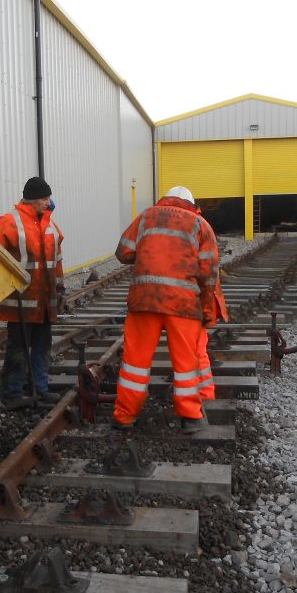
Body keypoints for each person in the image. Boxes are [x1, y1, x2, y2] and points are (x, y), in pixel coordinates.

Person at [112, 185, 220, 433]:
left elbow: (123, 252)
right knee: (185, 365)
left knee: (134, 364)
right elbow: (208, 274)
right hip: (183, 305)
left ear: (166, 199)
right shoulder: (200, 224)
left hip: (144, 301)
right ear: (191, 204)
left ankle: (124, 416)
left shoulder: (146, 216)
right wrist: (206, 311)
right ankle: (190, 417)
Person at [0, 176, 66, 409]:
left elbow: (57, 261)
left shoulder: (51, 226)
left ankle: (38, 388)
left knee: (42, 345)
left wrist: (60, 289)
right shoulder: (9, 222)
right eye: (45, 198)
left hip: (43, 302)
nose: (48, 202)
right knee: (18, 347)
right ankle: (11, 393)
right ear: (33, 200)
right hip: (21, 302)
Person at [196, 277, 229, 400]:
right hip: (190, 303)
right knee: (197, 351)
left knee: (196, 350)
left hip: (188, 304)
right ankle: (205, 395)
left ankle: (204, 396)